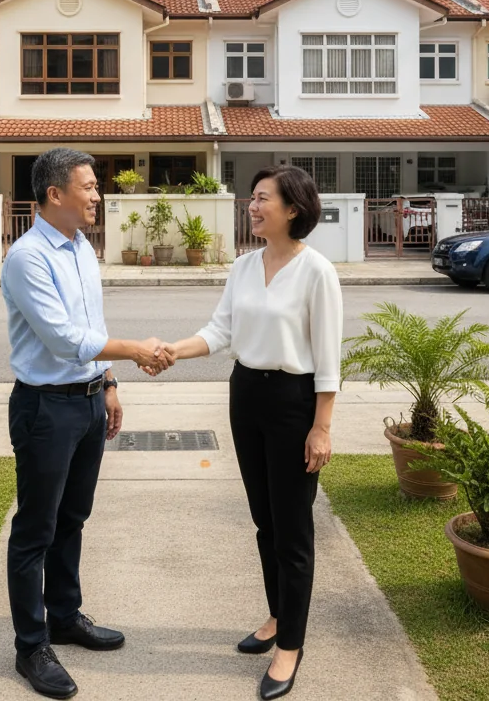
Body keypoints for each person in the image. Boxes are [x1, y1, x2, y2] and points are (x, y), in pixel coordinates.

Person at [163, 165, 341, 700]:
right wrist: (172, 350)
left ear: (293, 209)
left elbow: (329, 358)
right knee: (264, 521)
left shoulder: (317, 272)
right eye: (253, 198)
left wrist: (321, 427)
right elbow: (220, 331)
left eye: (264, 199)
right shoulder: (243, 266)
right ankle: (276, 613)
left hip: (294, 402)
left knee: (293, 530)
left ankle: (291, 644)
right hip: (247, 397)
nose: (253, 205)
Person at [2, 147, 173, 699]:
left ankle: (65, 616)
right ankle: (32, 645)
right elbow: (62, 339)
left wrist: (111, 384)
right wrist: (134, 351)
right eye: (89, 186)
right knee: (36, 529)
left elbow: (90, 324)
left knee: (73, 517)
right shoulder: (28, 257)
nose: (98, 195)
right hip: (45, 408)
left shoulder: (80, 249)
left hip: (89, 402)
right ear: (55, 194)